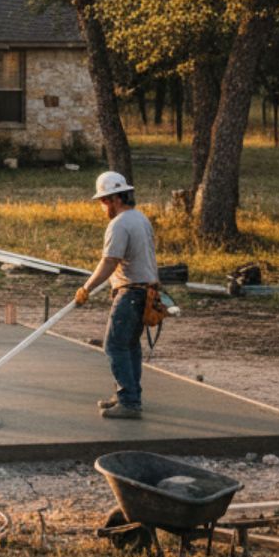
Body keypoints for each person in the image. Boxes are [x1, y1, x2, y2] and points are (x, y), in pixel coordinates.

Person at [75, 170, 159, 420]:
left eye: (103, 201)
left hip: (130, 292)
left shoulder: (119, 224)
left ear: (113, 199)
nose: (102, 207)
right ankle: (128, 394)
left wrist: (87, 288)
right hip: (145, 290)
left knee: (114, 346)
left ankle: (129, 402)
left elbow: (110, 261)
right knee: (130, 346)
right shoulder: (140, 218)